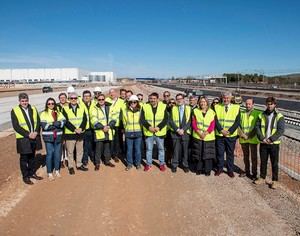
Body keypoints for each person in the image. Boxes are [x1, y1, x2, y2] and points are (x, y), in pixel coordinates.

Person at [11, 93, 43, 185]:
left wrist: (36, 132)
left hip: (34, 136)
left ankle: (32, 173)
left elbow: (38, 121)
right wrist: (28, 134)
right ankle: (25, 176)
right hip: (23, 139)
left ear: (28, 100)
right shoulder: (15, 110)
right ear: (19, 101)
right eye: (22, 101)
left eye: (26, 101)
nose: (24, 102)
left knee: (32, 157)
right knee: (24, 159)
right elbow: (16, 126)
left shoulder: (33, 108)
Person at [254, 97, 285, 189]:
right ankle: (262, 177)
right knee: (263, 162)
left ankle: (275, 180)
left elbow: (280, 130)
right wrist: (262, 138)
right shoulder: (261, 115)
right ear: (266, 104)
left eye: (271, 104)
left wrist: (271, 139)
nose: (269, 105)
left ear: (275, 105)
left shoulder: (279, 116)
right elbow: (257, 127)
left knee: (274, 163)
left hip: (274, 144)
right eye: (268, 104)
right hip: (263, 143)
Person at [214, 92, 240, 178]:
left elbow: (237, 121)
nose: (226, 99)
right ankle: (220, 169)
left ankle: (230, 170)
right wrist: (221, 130)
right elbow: (215, 120)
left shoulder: (236, 107)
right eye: (224, 98)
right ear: (222, 98)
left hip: (231, 135)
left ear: (231, 98)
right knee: (220, 153)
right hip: (220, 135)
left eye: (228, 98)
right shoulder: (217, 107)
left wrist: (230, 131)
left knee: (230, 154)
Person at [140, 92, 168, 171]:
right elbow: (142, 119)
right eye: (151, 98)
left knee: (161, 149)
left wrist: (159, 127)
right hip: (149, 132)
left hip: (159, 132)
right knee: (149, 149)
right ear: (149, 99)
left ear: (158, 99)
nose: (152, 100)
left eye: (154, 99)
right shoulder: (145, 106)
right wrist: (149, 127)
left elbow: (166, 119)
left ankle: (162, 164)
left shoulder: (163, 106)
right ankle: (148, 164)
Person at [62, 92, 88, 174]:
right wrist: (74, 129)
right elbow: (65, 121)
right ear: (69, 100)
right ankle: (70, 166)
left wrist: (81, 128)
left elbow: (84, 119)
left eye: (75, 98)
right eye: (71, 98)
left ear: (77, 99)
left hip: (80, 133)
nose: (73, 100)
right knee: (70, 151)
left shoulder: (81, 108)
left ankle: (79, 165)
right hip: (70, 134)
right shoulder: (65, 108)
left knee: (80, 150)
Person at [40, 98, 65, 181]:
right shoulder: (44, 113)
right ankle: (49, 172)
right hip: (48, 137)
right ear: (46, 105)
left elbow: (63, 121)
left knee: (57, 154)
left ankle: (57, 170)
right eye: (49, 103)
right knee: (50, 154)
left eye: (52, 103)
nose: (51, 105)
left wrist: (57, 124)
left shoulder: (58, 112)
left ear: (54, 104)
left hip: (58, 136)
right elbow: (44, 125)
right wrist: (55, 124)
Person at [90, 94, 116, 170]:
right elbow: (93, 120)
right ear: (97, 100)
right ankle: (97, 163)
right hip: (100, 132)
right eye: (99, 99)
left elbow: (114, 118)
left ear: (105, 100)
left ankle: (107, 161)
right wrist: (102, 127)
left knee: (107, 148)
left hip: (108, 130)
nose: (101, 101)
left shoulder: (110, 107)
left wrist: (109, 126)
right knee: (98, 148)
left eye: (102, 99)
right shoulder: (95, 108)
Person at [191, 96, 216, 176]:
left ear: (207, 103)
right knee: (198, 153)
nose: (202, 103)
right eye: (201, 102)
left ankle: (207, 170)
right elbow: (193, 123)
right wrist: (199, 133)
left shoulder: (212, 112)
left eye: (204, 102)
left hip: (208, 137)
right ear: (199, 103)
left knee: (208, 154)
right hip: (198, 136)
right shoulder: (195, 111)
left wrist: (205, 133)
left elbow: (212, 124)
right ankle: (199, 169)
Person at [238, 98, 261, 179]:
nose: (247, 105)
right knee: (246, 156)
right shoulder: (242, 113)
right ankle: (247, 171)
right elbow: (238, 125)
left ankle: (254, 173)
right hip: (243, 138)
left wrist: (249, 135)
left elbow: (257, 126)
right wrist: (242, 134)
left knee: (254, 157)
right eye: (246, 104)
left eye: (249, 104)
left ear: (253, 104)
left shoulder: (258, 113)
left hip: (253, 139)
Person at [169, 93, 191, 173]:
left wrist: (183, 130)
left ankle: (185, 165)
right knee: (176, 150)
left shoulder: (189, 108)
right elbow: (170, 121)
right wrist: (177, 129)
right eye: (177, 99)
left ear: (184, 99)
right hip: (176, 133)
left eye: (180, 99)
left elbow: (190, 121)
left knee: (185, 150)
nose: (179, 100)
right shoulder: (173, 108)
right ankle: (174, 165)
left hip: (185, 133)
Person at [122, 95, 143, 170]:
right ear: (129, 102)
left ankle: (137, 164)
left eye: (135, 102)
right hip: (129, 132)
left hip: (138, 132)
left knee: (137, 149)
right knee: (129, 150)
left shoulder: (140, 110)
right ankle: (129, 164)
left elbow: (142, 120)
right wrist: (126, 129)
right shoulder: (125, 110)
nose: (133, 103)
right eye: (131, 102)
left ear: (137, 102)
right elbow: (124, 121)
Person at [106, 88, 125, 163]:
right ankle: (109, 154)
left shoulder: (121, 101)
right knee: (110, 140)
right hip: (109, 124)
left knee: (117, 141)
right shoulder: (107, 100)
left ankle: (115, 155)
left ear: (116, 93)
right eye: (110, 93)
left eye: (113, 92)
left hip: (117, 124)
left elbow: (123, 113)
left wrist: (122, 125)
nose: (112, 94)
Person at [82, 90, 95, 167]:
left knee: (93, 144)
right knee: (85, 145)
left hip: (93, 128)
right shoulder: (80, 105)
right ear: (83, 97)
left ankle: (93, 157)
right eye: (85, 96)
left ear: (90, 97)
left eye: (88, 96)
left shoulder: (94, 104)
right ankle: (85, 159)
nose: (86, 97)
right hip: (85, 129)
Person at [57, 92, 68, 168]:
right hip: (60, 128)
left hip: (68, 128)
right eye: (61, 98)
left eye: (64, 97)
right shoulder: (56, 106)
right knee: (61, 144)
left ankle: (66, 158)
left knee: (67, 144)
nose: (62, 99)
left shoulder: (69, 105)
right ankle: (61, 160)